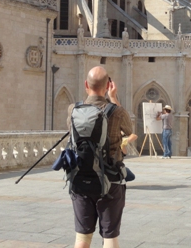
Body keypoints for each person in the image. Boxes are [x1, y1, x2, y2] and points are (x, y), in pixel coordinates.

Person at [67, 66, 136, 248]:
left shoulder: (73, 110)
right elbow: (129, 131)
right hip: (110, 181)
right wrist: (113, 98)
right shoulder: (116, 112)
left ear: (85, 85)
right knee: (110, 238)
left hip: (81, 180)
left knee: (82, 238)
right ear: (108, 86)